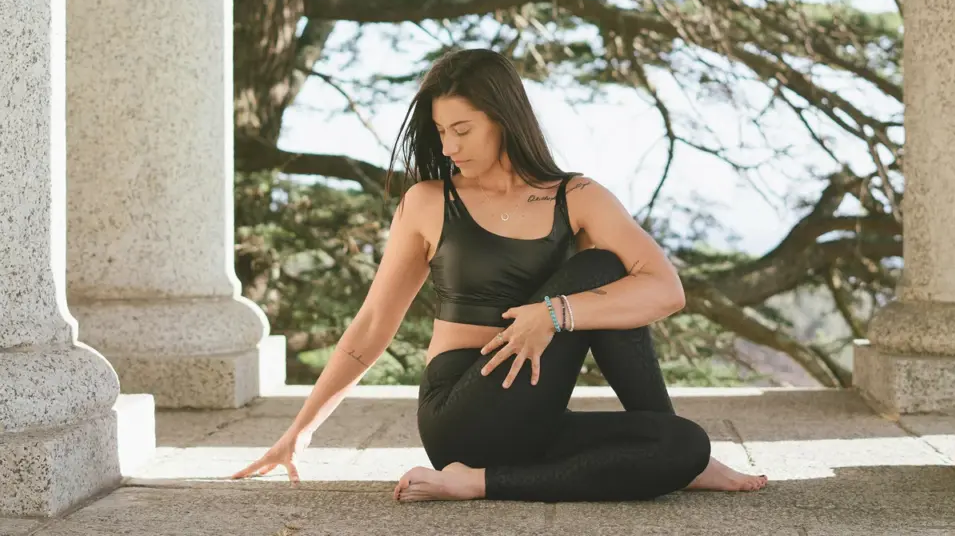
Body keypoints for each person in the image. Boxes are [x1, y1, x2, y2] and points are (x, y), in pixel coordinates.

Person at [232, 48, 768, 502]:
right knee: (599, 267)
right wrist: (300, 430)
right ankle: (473, 473)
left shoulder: (577, 196)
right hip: (461, 411)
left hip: (534, 413)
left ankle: (483, 482)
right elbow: (373, 323)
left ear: (503, 119)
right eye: (442, 131)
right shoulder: (429, 201)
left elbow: (665, 289)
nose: (449, 147)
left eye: (462, 130)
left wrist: (554, 315)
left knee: (682, 443)